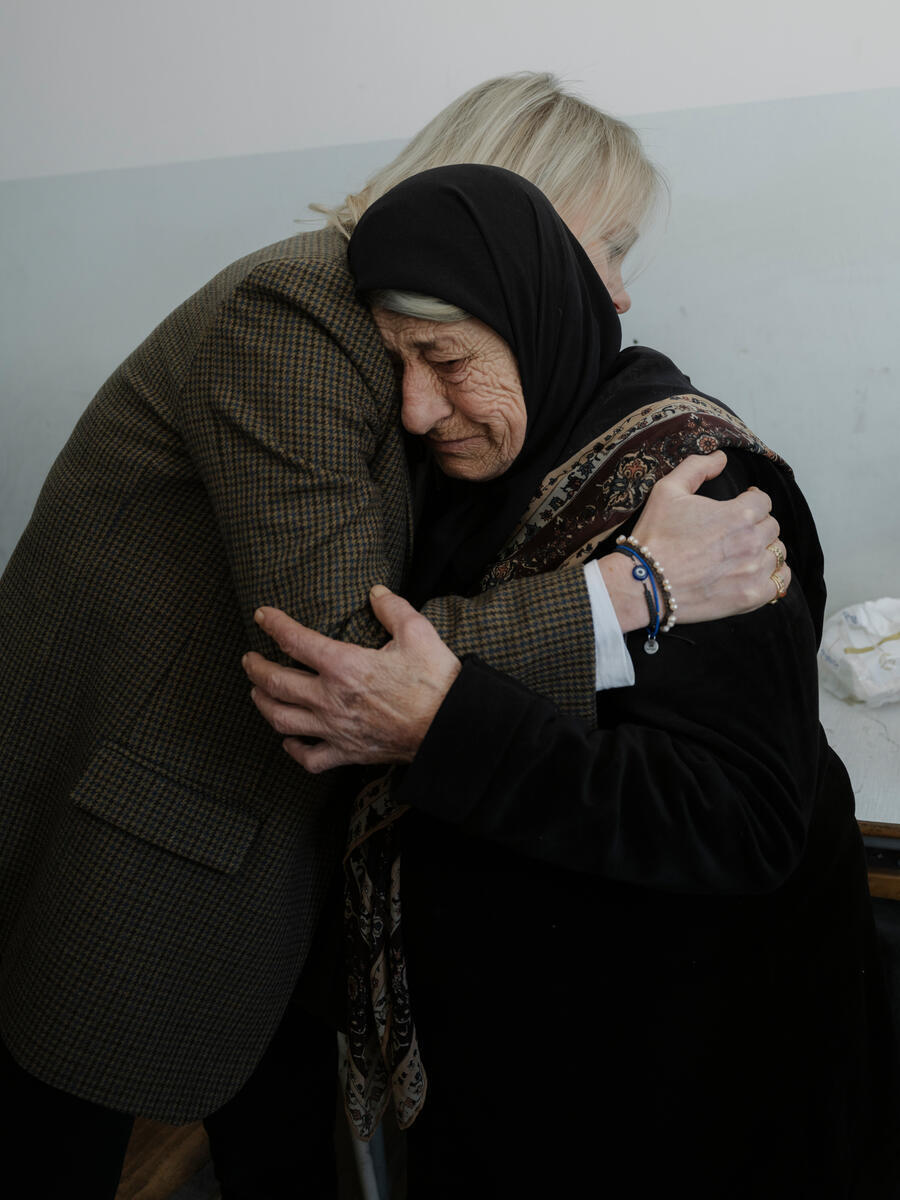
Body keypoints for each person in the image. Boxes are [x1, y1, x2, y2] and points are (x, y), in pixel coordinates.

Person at [0, 75, 783, 1197]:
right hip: (140, 821)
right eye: (609, 245)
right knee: (52, 1129)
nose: (614, 290)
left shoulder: (421, 347)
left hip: (266, 837)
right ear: (520, 215)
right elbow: (343, 650)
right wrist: (630, 591)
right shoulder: (300, 312)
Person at [244, 165, 896, 1197]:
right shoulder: (480, 473)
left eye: (447, 360)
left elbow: (740, 817)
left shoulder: (699, 487)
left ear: (532, 310)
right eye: (396, 368)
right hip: (539, 1049)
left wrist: (444, 731)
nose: (417, 408)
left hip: (683, 1071)